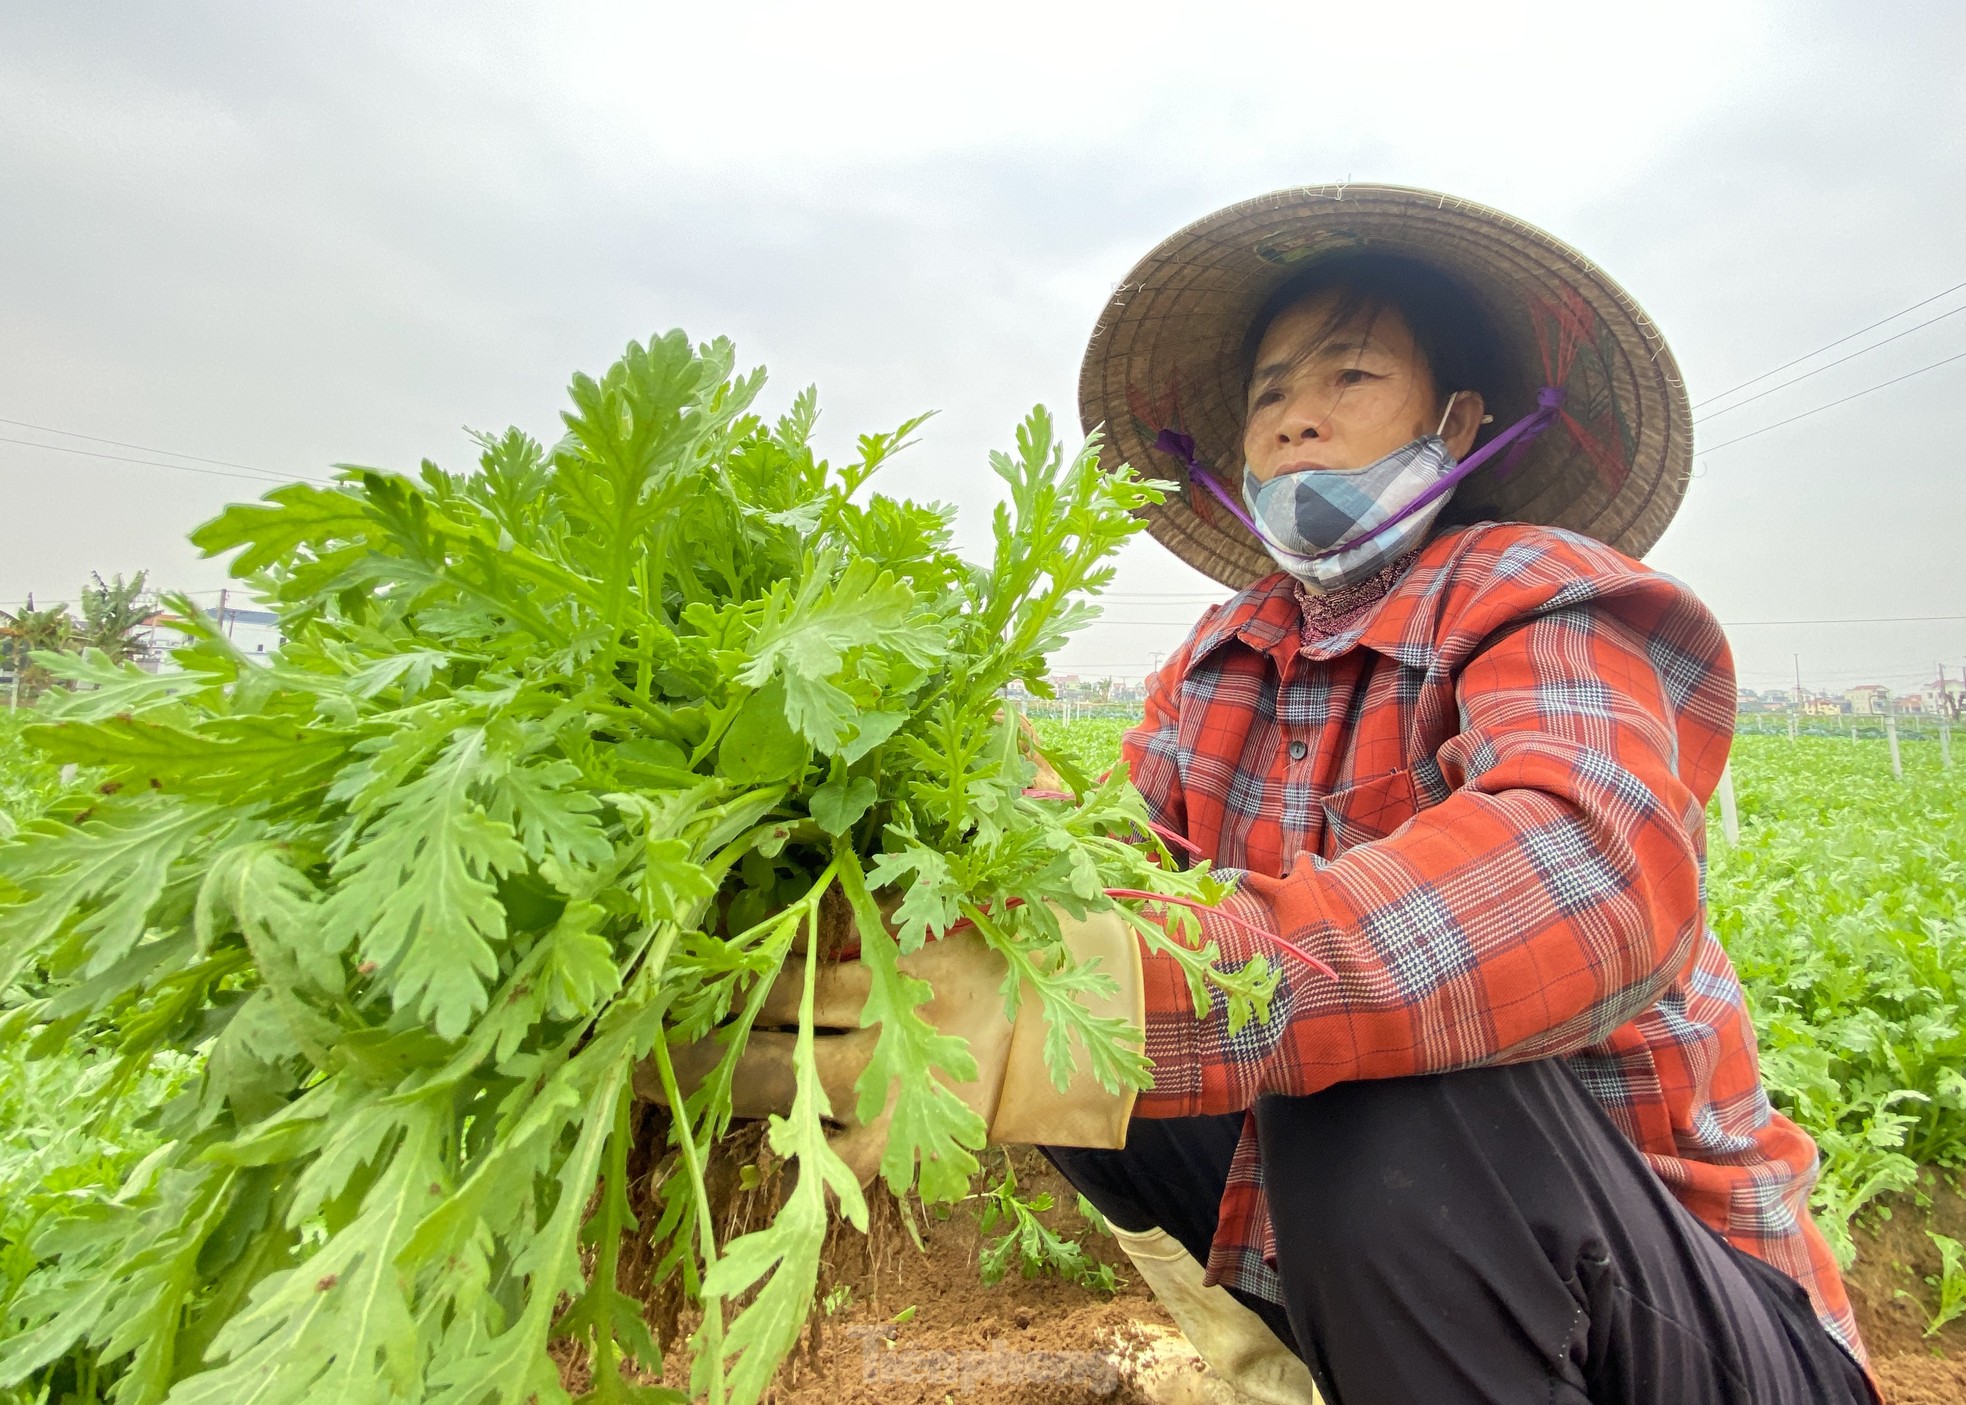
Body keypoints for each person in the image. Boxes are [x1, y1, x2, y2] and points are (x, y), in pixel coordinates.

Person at [664, 186, 1877, 1404]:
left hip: (1691, 1314)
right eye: (1268, 393)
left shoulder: (1544, 590)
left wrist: (1162, 990)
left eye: (1350, 377)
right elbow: (1099, 879)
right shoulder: (1221, 658)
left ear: (1457, 424)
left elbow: (1590, 872)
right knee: (1073, 1028)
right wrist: (966, 775)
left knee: (1370, 1087)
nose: (1298, 418)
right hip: (1405, 1279)